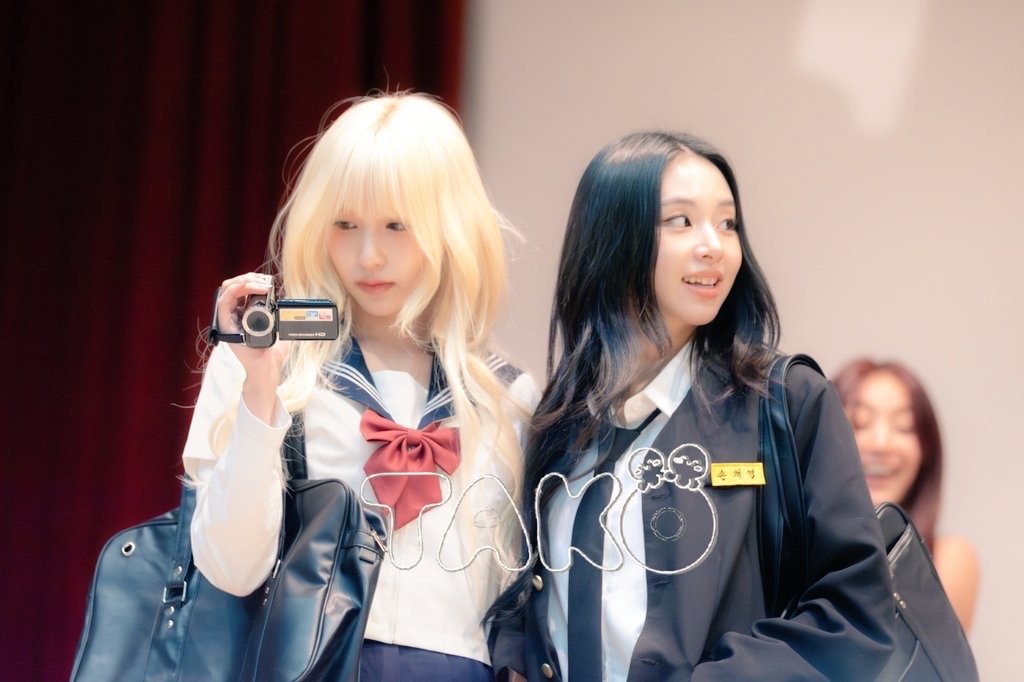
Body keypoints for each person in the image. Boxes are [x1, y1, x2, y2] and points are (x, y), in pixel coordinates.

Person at [488, 131, 895, 681]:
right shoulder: (559, 420)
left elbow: (855, 612)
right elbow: (526, 592)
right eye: (681, 221)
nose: (714, 245)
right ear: (612, 237)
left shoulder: (788, 401)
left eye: (727, 223)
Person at [182, 92, 537, 681]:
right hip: (306, 665)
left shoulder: (506, 398)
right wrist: (260, 393)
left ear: (450, 225)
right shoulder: (264, 364)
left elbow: (517, 604)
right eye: (344, 224)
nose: (368, 256)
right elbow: (231, 569)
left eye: (397, 225)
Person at [832, 358, 980, 632]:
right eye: (860, 423)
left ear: (927, 451)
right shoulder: (783, 556)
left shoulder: (948, 560)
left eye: (904, 426)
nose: (881, 444)